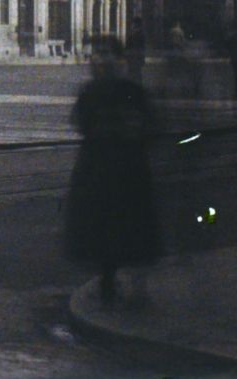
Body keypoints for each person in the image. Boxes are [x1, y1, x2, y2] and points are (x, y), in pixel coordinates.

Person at [65, 37, 162, 306]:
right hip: (98, 168)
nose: (100, 59)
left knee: (129, 225)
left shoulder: (131, 89)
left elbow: (150, 123)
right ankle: (108, 280)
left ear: (119, 60)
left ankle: (135, 284)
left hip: (127, 167)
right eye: (97, 54)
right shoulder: (90, 91)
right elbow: (80, 122)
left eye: (107, 53)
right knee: (104, 226)